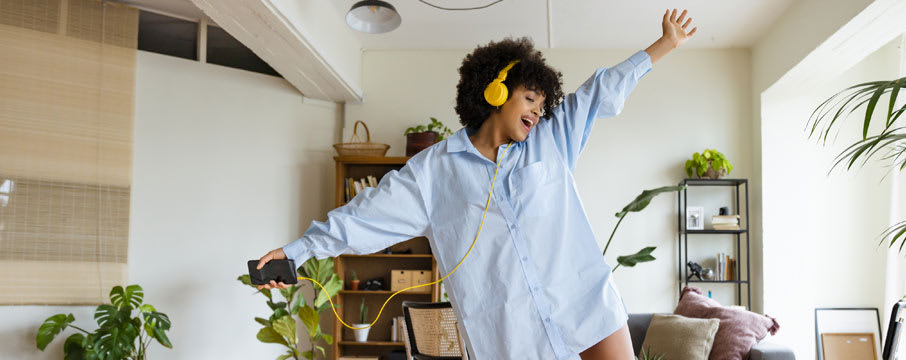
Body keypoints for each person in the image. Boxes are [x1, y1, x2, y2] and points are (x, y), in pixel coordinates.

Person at [257, 9, 697, 360]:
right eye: (530, 98)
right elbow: (362, 217)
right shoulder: (432, 172)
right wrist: (296, 253)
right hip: (512, 337)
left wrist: (664, 45)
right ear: (495, 91)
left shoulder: (552, 140)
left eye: (542, 105)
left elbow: (600, 91)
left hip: (586, 307)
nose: (537, 111)